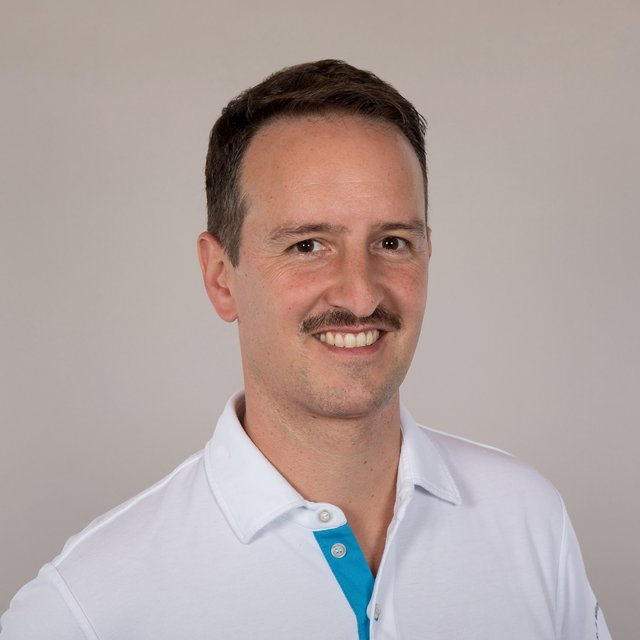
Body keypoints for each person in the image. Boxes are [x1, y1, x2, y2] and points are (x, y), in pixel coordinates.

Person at [0, 60, 611, 639]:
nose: (361, 294)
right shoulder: (89, 606)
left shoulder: (529, 520)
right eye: (308, 246)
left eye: (392, 242)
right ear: (220, 276)